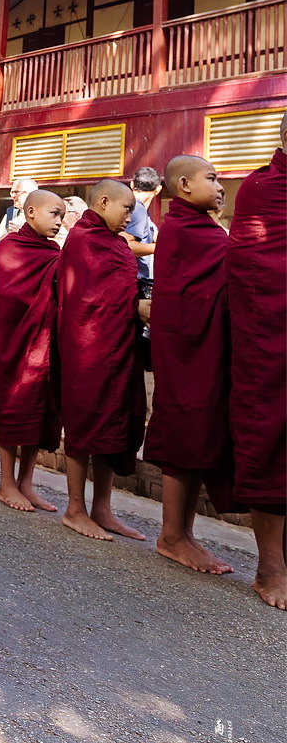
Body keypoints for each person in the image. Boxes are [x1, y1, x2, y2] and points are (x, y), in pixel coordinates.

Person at [142, 156, 236, 576]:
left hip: (199, 346)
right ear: (183, 185)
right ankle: (172, 536)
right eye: (212, 179)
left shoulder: (196, 226)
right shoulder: (186, 228)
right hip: (187, 349)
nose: (220, 188)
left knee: (200, 433)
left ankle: (184, 532)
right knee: (187, 431)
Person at [57, 178, 149, 543]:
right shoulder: (83, 239)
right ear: (104, 202)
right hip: (88, 348)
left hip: (119, 346)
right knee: (84, 423)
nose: (131, 215)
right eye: (127, 208)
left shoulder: (115, 242)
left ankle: (102, 509)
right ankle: (75, 509)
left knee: (114, 423)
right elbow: (88, 298)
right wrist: (135, 307)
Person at [226, 115, 287, 609]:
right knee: (269, 433)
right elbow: (251, 265)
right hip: (272, 334)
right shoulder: (261, 189)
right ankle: (271, 562)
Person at [0, 189, 65, 514]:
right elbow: (9, 293)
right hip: (16, 341)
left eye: (63, 216)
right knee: (15, 408)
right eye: (54, 214)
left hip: (45, 343)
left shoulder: (53, 251)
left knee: (39, 410)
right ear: (31, 211)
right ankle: (5, 483)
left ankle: (26, 483)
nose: (60, 222)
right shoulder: (11, 248)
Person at [124, 165, 161, 281]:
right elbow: (125, 245)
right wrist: (161, 247)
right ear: (158, 189)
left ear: (132, 184)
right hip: (133, 281)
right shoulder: (137, 209)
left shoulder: (139, 210)